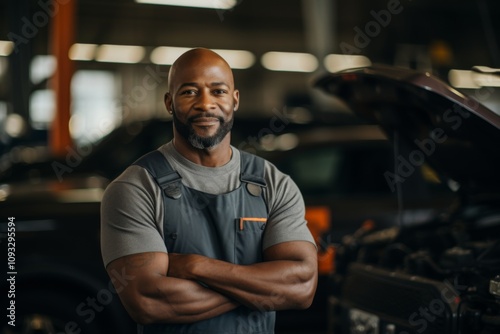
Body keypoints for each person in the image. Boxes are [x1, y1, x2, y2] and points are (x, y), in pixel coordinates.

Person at [100, 47, 318, 334]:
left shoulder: (274, 184)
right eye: (190, 92)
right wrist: (259, 290)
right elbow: (148, 301)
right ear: (169, 102)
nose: (206, 104)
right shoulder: (135, 188)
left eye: (218, 91)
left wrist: (195, 266)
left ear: (235, 100)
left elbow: (300, 287)